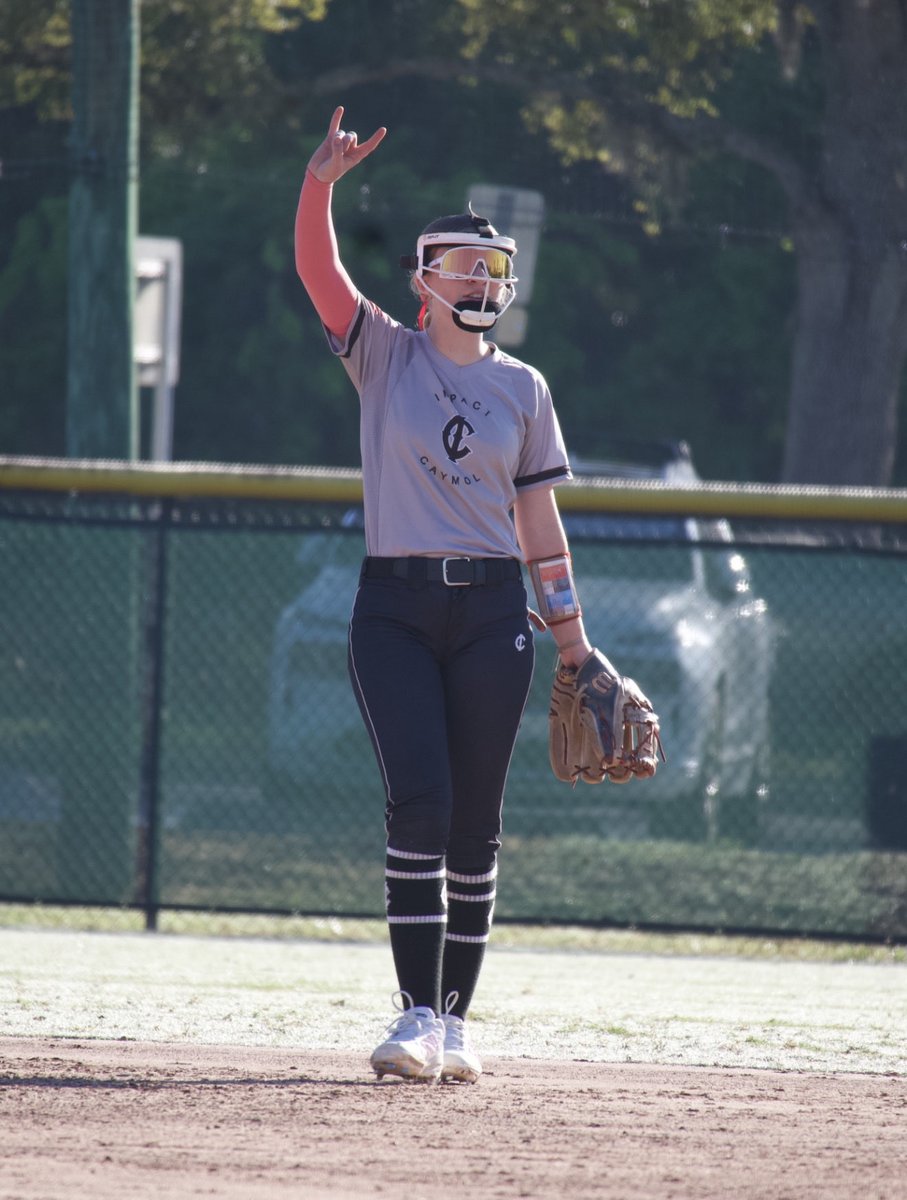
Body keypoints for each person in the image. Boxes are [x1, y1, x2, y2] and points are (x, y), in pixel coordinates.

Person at [295, 106, 599, 1084]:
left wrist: (575, 644)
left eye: (493, 269)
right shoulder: (385, 354)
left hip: (491, 616)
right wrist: (319, 186)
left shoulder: (525, 390)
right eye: (464, 267)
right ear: (424, 280)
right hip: (394, 606)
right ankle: (415, 1015)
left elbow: (541, 530)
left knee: (474, 822)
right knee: (417, 803)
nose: (482, 281)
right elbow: (318, 275)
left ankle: (456, 1024)